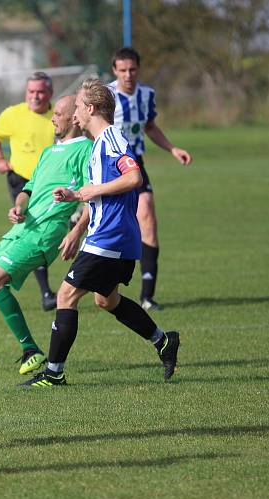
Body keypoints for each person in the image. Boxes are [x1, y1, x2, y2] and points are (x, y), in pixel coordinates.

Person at [19, 79, 180, 388]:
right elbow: (99, 194)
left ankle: (53, 373)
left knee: (66, 294)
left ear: (90, 109)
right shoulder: (98, 144)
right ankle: (163, 341)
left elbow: (133, 176)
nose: (74, 112)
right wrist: (78, 204)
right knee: (106, 300)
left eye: (78, 106)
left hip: (111, 236)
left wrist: (88, 192)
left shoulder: (111, 139)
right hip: (111, 236)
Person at [0, 95, 91, 376]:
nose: (52, 118)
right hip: (23, 228)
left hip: (46, 234)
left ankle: (31, 350)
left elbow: (91, 196)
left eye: (58, 113)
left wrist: (77, 230)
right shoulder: (49, 152)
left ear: (74, 117)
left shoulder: (86, 150)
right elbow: (28, 189)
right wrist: (18, 207)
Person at [108, 47, 192, 311]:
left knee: (148, 220)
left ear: (138, 69)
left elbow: (150, 127)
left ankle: (147, 296)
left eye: (132, 69)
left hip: (136, 164)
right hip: (110, 164)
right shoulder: (106, 95)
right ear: (114, 71)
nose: (128, 75)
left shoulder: (147, 95)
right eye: (122, 70)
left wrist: (172, 149)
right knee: (107, 225)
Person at [0, 71, 58, 311]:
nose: (35, 96)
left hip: (49, 182)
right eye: (31, 92)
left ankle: (7, 272)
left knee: (46, 230)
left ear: (50, 94)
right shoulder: (13, 114)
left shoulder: (59, 115)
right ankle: (45, 291)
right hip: (20, 180)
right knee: (31, 228)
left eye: (40, 92)